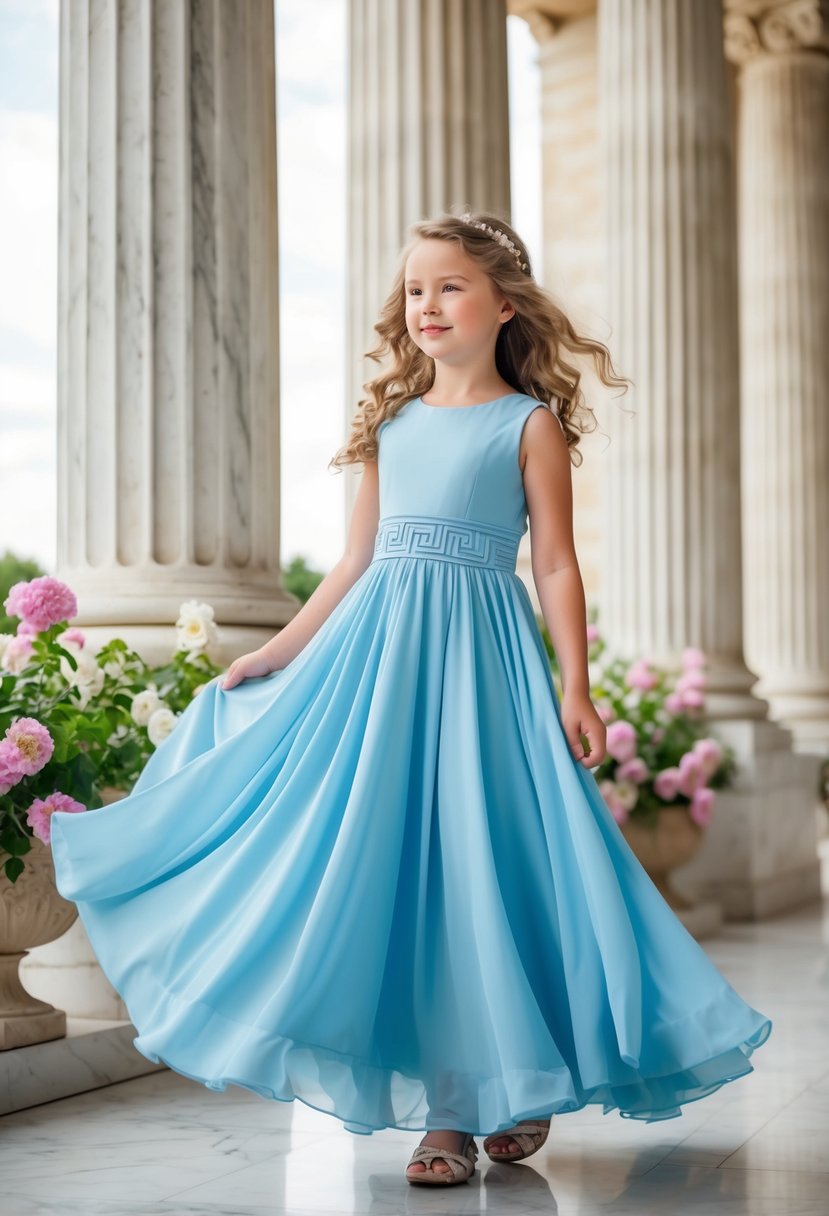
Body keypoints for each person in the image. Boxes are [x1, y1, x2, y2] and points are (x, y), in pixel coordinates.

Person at [50, 208, 773, 1189]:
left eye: (449, 285)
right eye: (414, 287)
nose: (424, 304)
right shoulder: (392, 423)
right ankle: (452, 1101)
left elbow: (555, 565)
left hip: (486, 668)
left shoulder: (530, 424)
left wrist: (577, 687)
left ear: (503, 304)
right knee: (406, 873)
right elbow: (353, 563)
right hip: (382, 663)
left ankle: (493, 1095)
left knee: (493, 867)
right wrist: (278, 650)